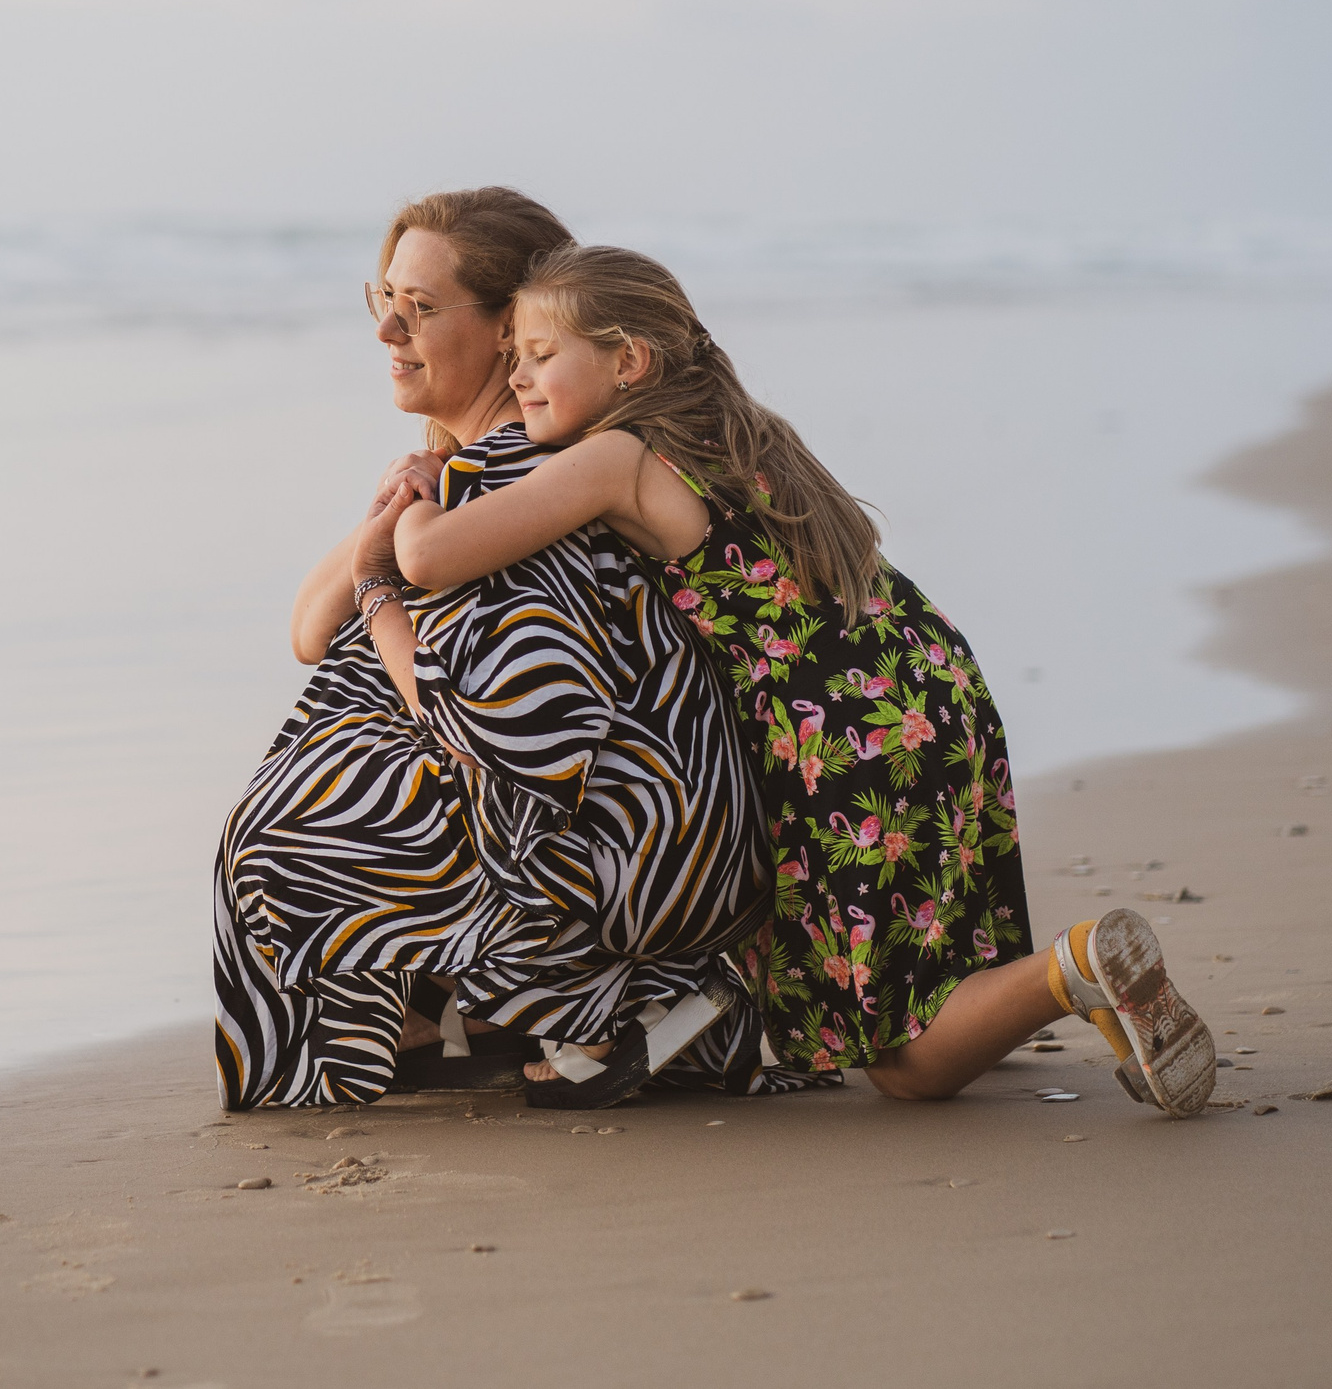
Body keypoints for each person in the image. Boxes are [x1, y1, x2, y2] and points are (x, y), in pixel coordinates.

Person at [388, 244, 1218, 1115]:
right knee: (939, 965)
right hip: (936, 687)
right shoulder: (744, 432)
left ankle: (1077, 964)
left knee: (903, 1064)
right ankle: (1103, 1000)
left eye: (542, 354)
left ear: (629, 360)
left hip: (851, 737)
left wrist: (409, 517)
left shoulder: (617, 459)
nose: (517, 376)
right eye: (513, 353)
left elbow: (432, 556)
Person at [213, 190, 774, 1112]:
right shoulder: (466, 471)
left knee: (286, 835)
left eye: (423, 308)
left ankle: (597, 1000)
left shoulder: (520, 477)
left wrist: (384, 573)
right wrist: (384, 523)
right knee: (319, 763)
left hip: (624, 853)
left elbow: (521, 737)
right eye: (383, 298)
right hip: (607, 833)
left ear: (511, 332)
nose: (389, 327)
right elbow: (311, 626)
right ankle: (449, 1013)